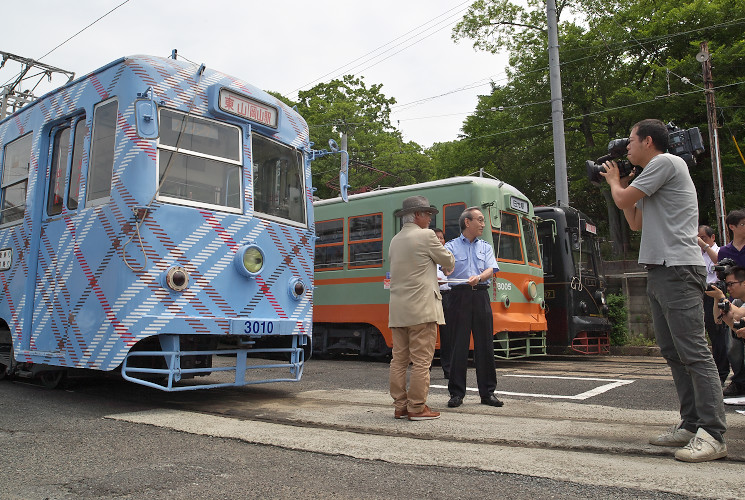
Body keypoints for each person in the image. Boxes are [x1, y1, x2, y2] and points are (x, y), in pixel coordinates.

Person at [600, 118, 726, 463]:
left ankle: (713, 433)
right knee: (673, 352)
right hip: (659, 269)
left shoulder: (666, 162)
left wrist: (616, 183)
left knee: (695, 352)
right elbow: (634, 219)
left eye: (631, 140)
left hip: (677, 268)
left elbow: (623, 197)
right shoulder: (651, 173)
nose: (627, 147)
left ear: (649, 142)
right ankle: (691, 423)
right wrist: (621, 183)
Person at [388, 196, 454, 421]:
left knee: (398, 360)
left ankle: (400, 406)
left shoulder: (395, 240)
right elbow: (448, 261)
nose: (430, 217)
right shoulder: (426, 236)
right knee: (421, 361)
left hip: (398, 310)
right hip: (422, 309)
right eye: (427, 213)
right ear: (417, 215)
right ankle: (417, 407)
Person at [443, 207, 503, 408]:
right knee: (458, 345)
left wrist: (479, 277)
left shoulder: (485, 247)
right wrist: (446, 268)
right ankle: (456, 394)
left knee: (485, 345)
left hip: (480, 296)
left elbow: (490, 269)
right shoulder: (450, 247)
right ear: (467, 222)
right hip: (458, 297)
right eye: (479, 220)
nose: (483, 224)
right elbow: (445, 269)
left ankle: (488, 393)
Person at [716, 209, 745, 397]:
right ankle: (739, 380)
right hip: (734, 297)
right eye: (743, 224)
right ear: (732, 227)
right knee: (733, 341)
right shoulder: (725, 251)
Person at [697, 225, 730, 385]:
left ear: (712, 237)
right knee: (708, 333)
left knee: (719, 333)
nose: (699, 241)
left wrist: (705, 246)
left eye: (703, 237)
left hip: (717, 292)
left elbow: (718, 261)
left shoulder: (720, 251)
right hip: (702, 293)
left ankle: (722, 372)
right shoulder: (698, 254)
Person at [433, 228, 453, 379]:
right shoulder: (427, 255)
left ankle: (448, 369)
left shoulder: (448, 255)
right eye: (437, 238)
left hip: (447, 297)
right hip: (432, 297)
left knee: (447, 336)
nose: (440, 240)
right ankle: (426, 369)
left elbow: (452, 274)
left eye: (442, 238)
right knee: (430, 334)